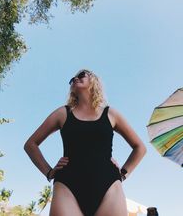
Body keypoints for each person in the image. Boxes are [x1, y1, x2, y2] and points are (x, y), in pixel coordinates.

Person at [24, 69, 147, 216]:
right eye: (72, 78)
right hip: (67, 185)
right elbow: (31, 144)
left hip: (108, 185)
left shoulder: (111, 114)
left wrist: (123, 174)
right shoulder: (62, 113)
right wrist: (49, 172)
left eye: (81, 75)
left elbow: (140, 147)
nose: (76, 78)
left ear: (94, 82)